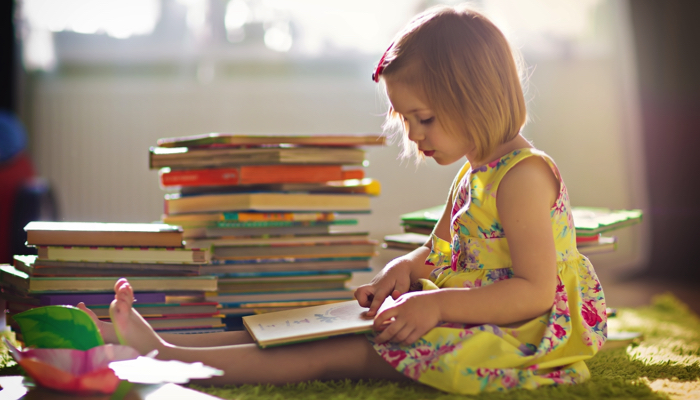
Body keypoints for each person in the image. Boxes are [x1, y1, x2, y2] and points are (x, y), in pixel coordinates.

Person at [79, 4, 607, 394]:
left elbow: (536, 292)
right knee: (313, 325)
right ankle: (174, 345)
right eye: (406, 121)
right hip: (471, 311)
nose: (415, 136)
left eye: (424, 118)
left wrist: (439, 302)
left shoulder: (523, 177)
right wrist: (403, 268)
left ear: (478, 98)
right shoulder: (475, 173)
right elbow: (442, 251)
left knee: (343, 350)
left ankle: (170, 360)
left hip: (521, 335)